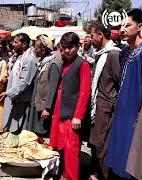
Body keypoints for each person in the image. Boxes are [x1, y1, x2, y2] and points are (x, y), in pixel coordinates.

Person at [105, 8, 142, 179]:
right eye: (121, 26)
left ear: (140, 26)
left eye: (128, 25)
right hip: (121, 113)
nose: (122, 29)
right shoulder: (125, 53)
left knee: (132, 162)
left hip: (136, 117)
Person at [49, 32, 91, 180]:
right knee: (60, 148)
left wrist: (78, 116)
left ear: (77, 47)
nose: (67, 51)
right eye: (64, 47)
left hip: (72, 116)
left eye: (70, 47)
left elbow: (84, 93)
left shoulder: (83, 64)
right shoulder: (64, 63)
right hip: (60, 113)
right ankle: (63, 175)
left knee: (71, 150)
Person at [87, 23, 121, 179]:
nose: (90, 38)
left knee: (102, 145)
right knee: (95, 143)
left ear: (100, 35)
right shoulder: (101, 54)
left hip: (106, 108)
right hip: (97, 106)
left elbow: (119, 82)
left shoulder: (114, 54)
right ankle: (96, 174)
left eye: (92, 35)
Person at [0, 33, 38, 134]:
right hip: (15, 98)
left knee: (20, 129)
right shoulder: (20, 57)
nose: (13, 44)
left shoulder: (29, 59)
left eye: (16, 42)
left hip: (22, 99)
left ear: (24, 44)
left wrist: (9, 93)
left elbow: (24, 81)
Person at [27, 34, 58, 136]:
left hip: (44, 107)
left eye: (36, 48)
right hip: (37, 103)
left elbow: (52, 88)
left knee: (42, 133)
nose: (34, 51)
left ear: (43, 50)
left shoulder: (52, 63)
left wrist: (47, 108)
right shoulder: (42, 63)